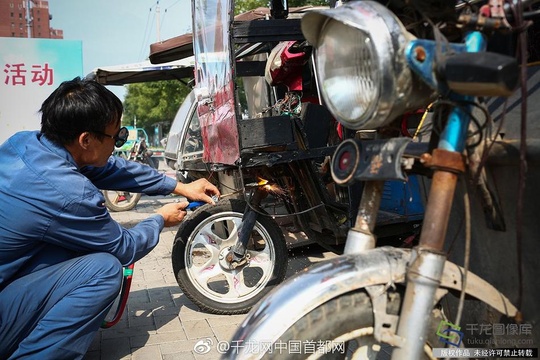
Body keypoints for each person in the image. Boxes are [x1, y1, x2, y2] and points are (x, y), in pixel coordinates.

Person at [0, 77, 220, 359]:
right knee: (103, 271)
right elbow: (124, 247)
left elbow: (111, 168)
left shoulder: (25, 144)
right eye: (116, 137)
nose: (118, 144)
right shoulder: (69, 193)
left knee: (74, 247)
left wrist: (179, 186)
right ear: (86, 139)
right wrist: (159, 219)